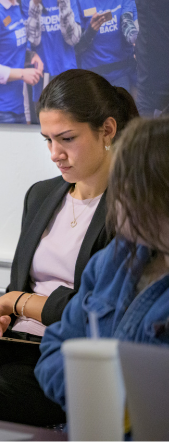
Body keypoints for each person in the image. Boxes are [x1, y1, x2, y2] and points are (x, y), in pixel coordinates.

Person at [0, 69, 140, 426]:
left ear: (107, 130)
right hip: (19, 340)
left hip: (75, 352)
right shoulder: (42, 195)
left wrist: (18, 302)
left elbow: (99, 307)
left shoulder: (132, 207)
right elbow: (19, 284)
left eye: (66, 138)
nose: (54, 154)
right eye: (46, 140)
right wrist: (3, 311)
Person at [35, 116, 169, 411]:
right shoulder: (112, 260)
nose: (115, 199)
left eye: (127, 188)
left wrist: (101, 390)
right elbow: (54, 350)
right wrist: (96, 394)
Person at [75, 0, 138, 90]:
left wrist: (136, 38)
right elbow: (77, 48)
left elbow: (127, 23)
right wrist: (91, 31)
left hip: (120, 73)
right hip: (93, 75)